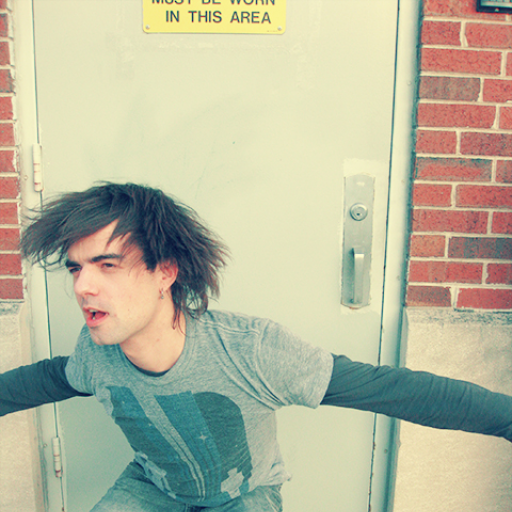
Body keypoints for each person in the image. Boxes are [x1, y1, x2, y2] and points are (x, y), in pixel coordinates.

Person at [1, 182, 512, 512]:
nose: (83, 286)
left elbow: (388, 388)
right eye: (76, 268)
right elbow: (43, 380)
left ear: (165, 273)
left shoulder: (252, 351)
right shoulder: (96, 352)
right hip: (151, 489)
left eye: (107, 266)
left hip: (244, 495)